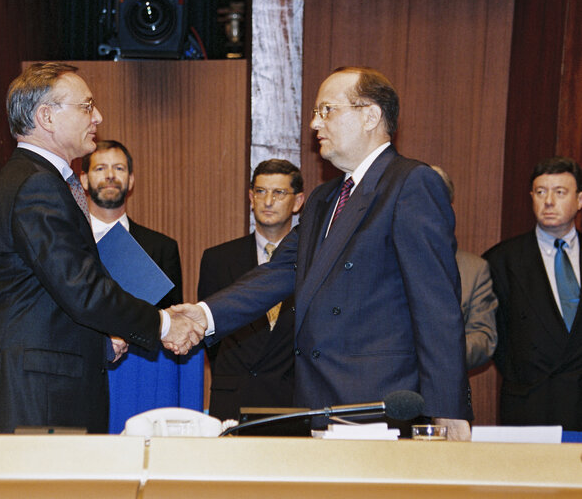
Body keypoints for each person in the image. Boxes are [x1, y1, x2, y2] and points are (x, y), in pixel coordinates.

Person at [174, 66, 472, 439]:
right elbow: (279, 271)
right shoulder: (324, 199)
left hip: (378, 408)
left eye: (327, 110)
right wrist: (203, 314)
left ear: (370, 116)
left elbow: (437, 307)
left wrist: (447, 409)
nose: (315, 123)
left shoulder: (411, 183)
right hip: (318, 404)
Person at [0, 63, 202, 434]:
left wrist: (99, 342)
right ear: (46, 117)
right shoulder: (36, 185)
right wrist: (163, 323)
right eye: (87, 106)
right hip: (27, 397)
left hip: (35, 391)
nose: (97, 116)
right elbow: (81, 289)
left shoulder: (34, 179)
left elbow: (43, 298)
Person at [80, 140, 204, 433]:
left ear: (131, 180)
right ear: (84, 180)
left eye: (119, 168)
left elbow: (172, 320)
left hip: (144, 379)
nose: (110, 175)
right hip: (84, 373)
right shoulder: (70, 245)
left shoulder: (161, 247)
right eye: (100, 168)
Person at [198, 159, 304, 421]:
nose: (268, 201)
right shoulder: (218, 259)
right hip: (233, 398)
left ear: (298, 201)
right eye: (260, 191)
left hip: (289, 401)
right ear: (250, 197)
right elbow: (213, 334)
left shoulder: (311, 261)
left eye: (279, 193)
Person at [483, 156, 582, 430]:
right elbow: (497, 339)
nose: (548, 201)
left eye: (560, 192)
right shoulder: (501, 260)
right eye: (540, 192)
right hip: (531, 404)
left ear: (579, 200)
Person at [431, 166, 498, 370]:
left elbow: (484, 339)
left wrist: (435, 355)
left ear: (448, 208)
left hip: (443, 388)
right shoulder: (380, 262)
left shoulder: (474, 270)